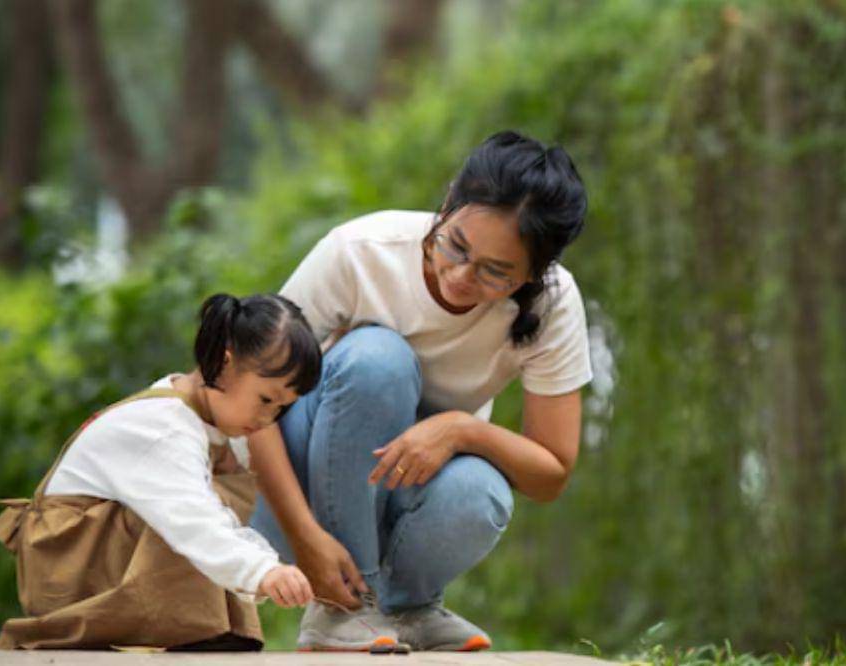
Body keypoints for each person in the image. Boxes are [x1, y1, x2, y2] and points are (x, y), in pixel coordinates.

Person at [247, 130, 593, 652]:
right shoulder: (360, 252)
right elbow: (247, 400)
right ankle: (344, 608)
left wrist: (459, 430)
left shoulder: (554, 305)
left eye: (495, 273)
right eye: (455, 245)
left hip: (395, 492)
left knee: (482, 490)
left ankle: (408, 607)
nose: (460, 276)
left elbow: (550, 473)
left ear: (534, 275)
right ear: (447, 203)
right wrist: (305, 535)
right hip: (291, 489)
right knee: (378, 360)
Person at [0, 293, 338, 651]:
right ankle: (194, 635)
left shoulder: (198, 417)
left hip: (95, 561)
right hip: (69, 571)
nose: (267, 419)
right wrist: (263, 571)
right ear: (223, 363)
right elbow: (194, 522)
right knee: (190, 515)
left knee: (216, 497)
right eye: (265, 399)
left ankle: (207, 632)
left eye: (280, 409)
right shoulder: (165, 429)